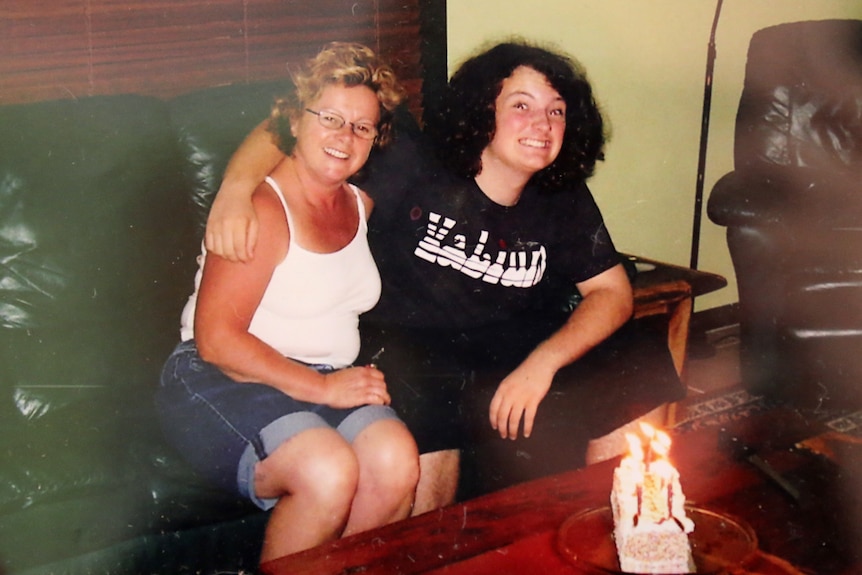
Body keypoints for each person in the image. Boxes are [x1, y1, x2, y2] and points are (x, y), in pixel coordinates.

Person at [205, 40, 683, 509]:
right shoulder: (415, 160)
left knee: (636, 357)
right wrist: (234, 190)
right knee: (427, 402)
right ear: (482, 111)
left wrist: (544, 364)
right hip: (410, 341)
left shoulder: (562, 194)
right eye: (522, 105)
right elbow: (284, 127)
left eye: (556, 111)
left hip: (509, 342)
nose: (542, 124)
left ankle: (613, 530)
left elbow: (612, 291)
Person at [155, 42, 419, 564]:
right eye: (330, 119)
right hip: (218, 376)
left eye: (362, 127)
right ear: (295, 122)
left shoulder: (359, 201)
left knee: (396, 461)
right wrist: (323, 386)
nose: (345, 137)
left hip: (316, 374)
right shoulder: (261, 206)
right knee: (327, 469)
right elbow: (216, 340)